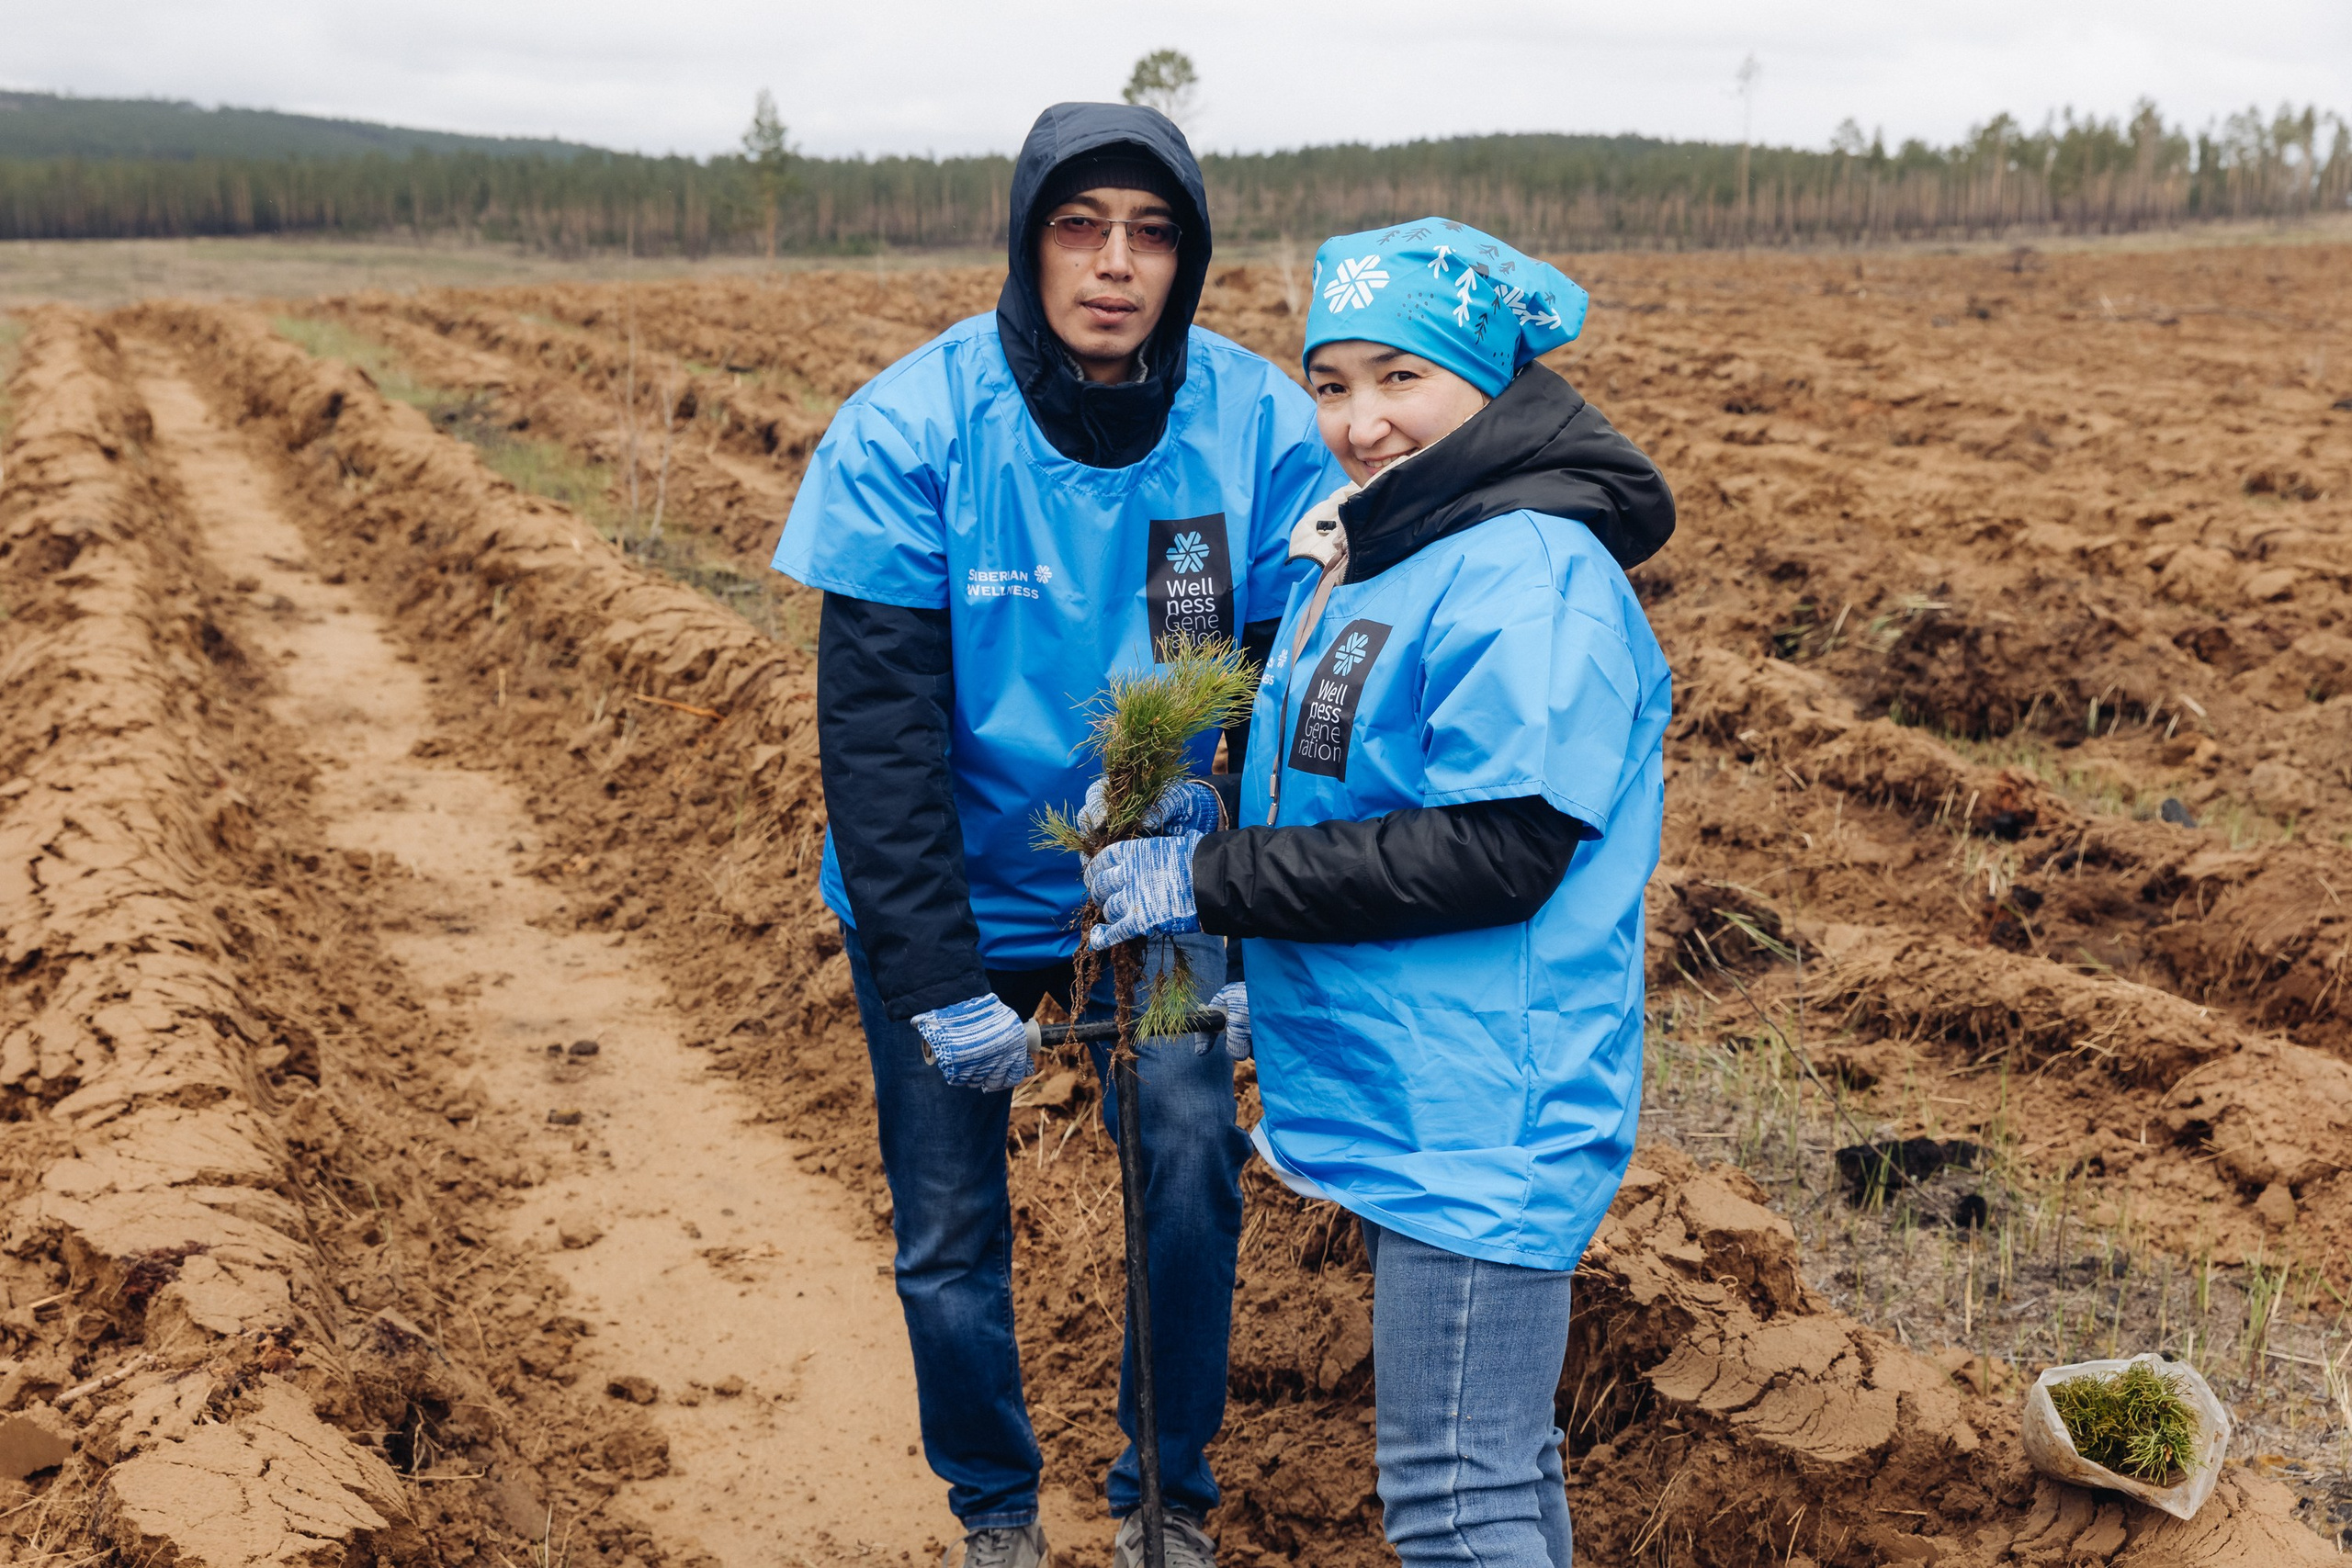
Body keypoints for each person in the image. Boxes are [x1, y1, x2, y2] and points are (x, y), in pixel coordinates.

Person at [772, 102, 1347, 1568]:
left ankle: (1168, 1497)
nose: (1115, 263)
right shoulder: (916, 428)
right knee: (948, 1223)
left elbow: (1283, 709)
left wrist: (1239, 915)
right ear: (1029, 244)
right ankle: (994, 1508)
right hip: (952, 879)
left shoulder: (1254, 428)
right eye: (1080, 227)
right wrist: (931, 973)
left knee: (1189, 1161)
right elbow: (879, 739)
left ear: (1187, 258)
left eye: (1151, 234)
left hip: (1155, 885)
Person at [1081, 219, 1675, 1568]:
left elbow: (1497, 850)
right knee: (1496, 1473)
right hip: (1423, 1082)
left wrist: (1209, 880)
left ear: (1490, 381)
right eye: (1332, 384)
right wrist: (1253, 940)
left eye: (1402, 378)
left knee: (1453, 1499)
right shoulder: (1400, 550)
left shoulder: (1530, 573)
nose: (1361, 424)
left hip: (1486, 1104)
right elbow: (1355, 800)